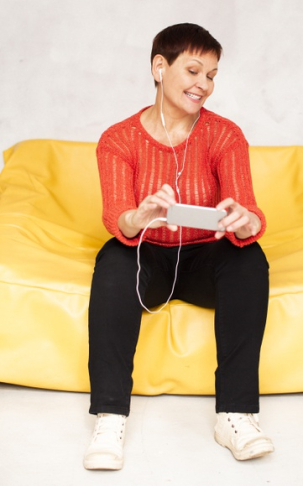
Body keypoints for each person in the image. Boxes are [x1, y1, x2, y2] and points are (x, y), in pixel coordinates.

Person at [83, 23, 274, 470]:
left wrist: (244, 222)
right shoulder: (119, 139)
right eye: (193, 70)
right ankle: (110, 415)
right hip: (146, 256)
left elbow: (249, 211)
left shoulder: (224, 134)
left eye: (211, 75)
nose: (203, 85)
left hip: (205, 259)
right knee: (113, 257)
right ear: (159, 67)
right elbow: (118, 219)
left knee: (250, 259)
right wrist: (142, 216)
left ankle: (235, 414)